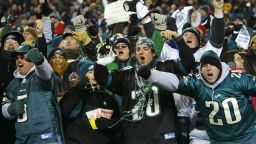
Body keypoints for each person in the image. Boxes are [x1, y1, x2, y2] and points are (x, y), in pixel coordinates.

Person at [138, 50, 256, 143]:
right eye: (205, 66)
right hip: (219, 140)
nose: (208, 68)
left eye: (212, 65)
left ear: (219, 67)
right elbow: (174, 81)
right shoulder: (196, 83)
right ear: (201, 69)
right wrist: (151, 75)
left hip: (247, 136)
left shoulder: (238, 79)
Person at [94, 37, 194, 144]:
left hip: (163, 135)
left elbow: (188, 62)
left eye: (145, 48)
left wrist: (179, 39)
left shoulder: (165, 67)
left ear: (153, 53)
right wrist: (100, 62)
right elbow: (103, 79)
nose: (141, 51)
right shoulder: (127, 74)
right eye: (138, 49)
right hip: (136, 136)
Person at [1, 47, 63, 143]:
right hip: (22, 139)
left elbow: (46, 74)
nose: (19, 60)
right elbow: (4, 104)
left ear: (32, 60)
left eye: (22, 57)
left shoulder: (39, 76)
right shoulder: (13, 84)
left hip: (46, 137)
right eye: (17, 58)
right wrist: (10, 109)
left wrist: (41, 63)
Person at [59, 60, 122, 144]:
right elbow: (65, 114)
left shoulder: (108, 97)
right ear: (83, 76)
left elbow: (117, 124)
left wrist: (106, 123)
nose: (94, 75)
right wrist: (78, 90)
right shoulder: (72, 93)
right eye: (90, 72)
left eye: (96, 72)